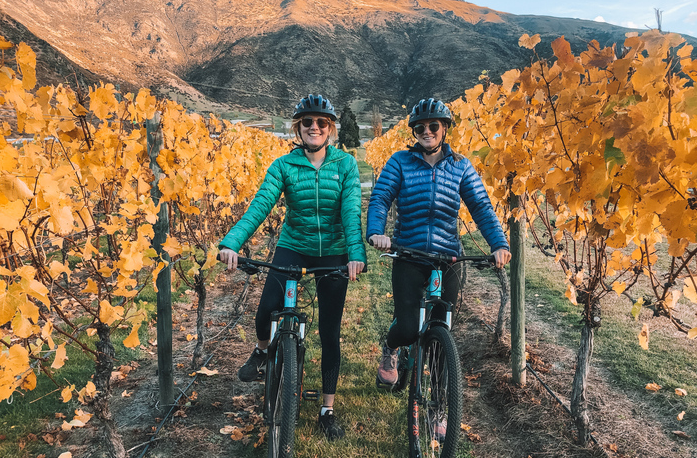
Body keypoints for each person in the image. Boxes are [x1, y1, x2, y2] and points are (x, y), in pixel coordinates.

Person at [219, 94, 366, 441]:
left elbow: (350, 211)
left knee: (329, 332)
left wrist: (355, 252)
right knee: (267, 309)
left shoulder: (345, 165)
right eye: (307, 122)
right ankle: (261, 350)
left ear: (330, 128)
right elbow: (260, 205)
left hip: (332, 251)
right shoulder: (283, 166)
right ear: (298, 128)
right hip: (294, 247)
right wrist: (232, 242)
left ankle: (327, 409)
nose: (314, 127)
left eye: (321, 122)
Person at [366, 98, 511, 435]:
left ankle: (438, 411)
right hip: (408, 256)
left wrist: (499, 244)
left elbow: (481, 207)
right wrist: (376, 231)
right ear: (414, 132)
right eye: (421, 127)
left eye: (434, 126)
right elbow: (381, 197)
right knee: (407, 328)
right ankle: (391, 348)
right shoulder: (400, 162)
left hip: (449, 260)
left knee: (441, 336)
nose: (427, 132)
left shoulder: (460, 166)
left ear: (445, 129)